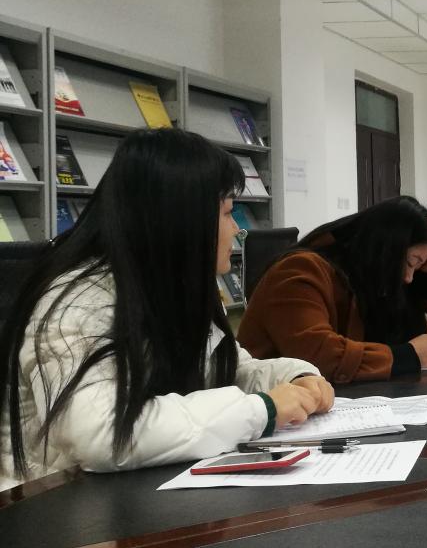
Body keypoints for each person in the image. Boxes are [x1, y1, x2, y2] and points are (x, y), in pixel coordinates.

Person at [0, 129, 332, 490]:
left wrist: (294, 378)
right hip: (51, 502)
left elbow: (230, 369)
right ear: (182, 220)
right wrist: (260, 410)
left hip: (134, 492)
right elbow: (101, 433)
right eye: (226, 213)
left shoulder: (171, 286)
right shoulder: (76, 300)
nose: (237, 229)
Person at [237, 197, 427, 384]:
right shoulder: (299, 270)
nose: (408, 278)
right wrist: (407, 357)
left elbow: (412, 338)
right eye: (411, 263)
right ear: (386, 249)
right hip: (273, 407)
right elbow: (320, 357)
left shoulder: (365, 281)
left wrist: (426, 275)